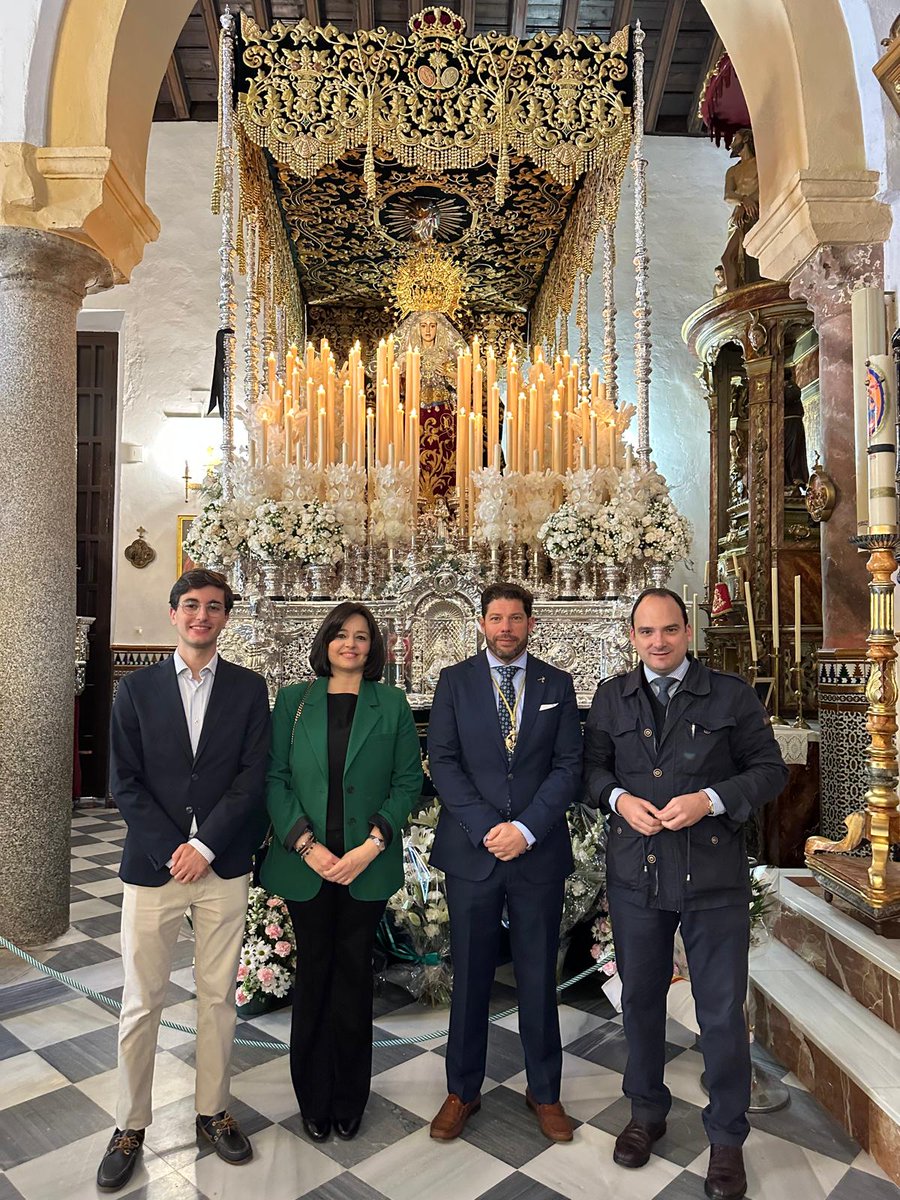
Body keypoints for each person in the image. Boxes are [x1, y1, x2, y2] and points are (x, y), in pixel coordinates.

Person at [584, 588, 788, 1200]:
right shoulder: (611, 697)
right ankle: (645, 1112)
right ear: (632, 637)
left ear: (687, 631)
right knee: (641, 1001)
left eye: (670, 630)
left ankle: (727, 1138)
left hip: (713, 880)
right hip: (636, 877)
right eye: (646, 632)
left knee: (721, 1014)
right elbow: (589, 771)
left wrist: (711, 800)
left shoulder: (729, 694)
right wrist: (618, 799)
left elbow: (770, 769)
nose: (659, 642)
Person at [97, 569, 271, 1192]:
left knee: (219, 998)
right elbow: (125, 781)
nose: (202, 616)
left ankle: (212, 1110)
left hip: (221, 865)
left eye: (214, 607)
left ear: (227, 618)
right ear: (174, 614)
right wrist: (176, 847)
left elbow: (253, 778)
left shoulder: (250, 690)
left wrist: (204, 845)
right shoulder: (136, 690)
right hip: (153, 866)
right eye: (191, 606)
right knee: (142, 1001)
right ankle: (129, 1124)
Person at [427, 582, 584, 1143]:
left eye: (516, 618)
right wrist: (487, 826)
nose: (506, 628)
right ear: (482, 624)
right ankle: (460, 1090)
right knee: (467, 976)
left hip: (535, 852)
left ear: (530, 624)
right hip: (473, 852)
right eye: (496, 619)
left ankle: (545, 1091)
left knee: (539, 976)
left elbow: (569, 765)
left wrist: (525, 828)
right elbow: (442, 762)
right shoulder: (455, 681)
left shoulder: (556, 684)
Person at [262, 602, 423, 1143]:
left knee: (354, 979)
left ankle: (350, 1097)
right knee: (313, 978)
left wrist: (372, 844)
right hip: (305, 863)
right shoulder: (294, 701)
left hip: (364, 866)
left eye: (361, 637)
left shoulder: (392, 703)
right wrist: (306, 846)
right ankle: (312, 1096)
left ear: (372, 647)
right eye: (340, 635)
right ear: (325, 642)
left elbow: (407, 783)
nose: (350, 645)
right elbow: (275, 778)